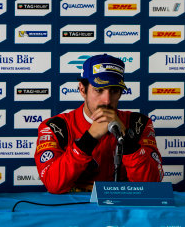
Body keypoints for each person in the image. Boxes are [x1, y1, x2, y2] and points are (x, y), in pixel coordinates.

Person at [35, 54, 163, 193]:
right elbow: (53, 184)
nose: (107, 100)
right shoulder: (55, 127)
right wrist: (89, 139)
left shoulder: (139, 123)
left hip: (123, 210)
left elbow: (152, 186)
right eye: (98, 90)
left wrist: (127, 140)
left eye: (114, 91)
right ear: (82, 90)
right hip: (75, 210)